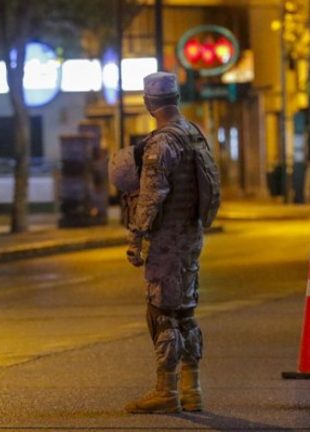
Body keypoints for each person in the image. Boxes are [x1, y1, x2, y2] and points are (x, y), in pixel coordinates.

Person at [119, 72, 207, 414]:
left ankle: (165, 391)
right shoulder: (194, 134)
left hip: (167, 239)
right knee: (185, 310)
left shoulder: (161, 142)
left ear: (148, 103)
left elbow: (152, 196)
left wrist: (136, 238)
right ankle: (193, 388)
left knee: (161, 312)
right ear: (177, 99)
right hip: (191, 235)